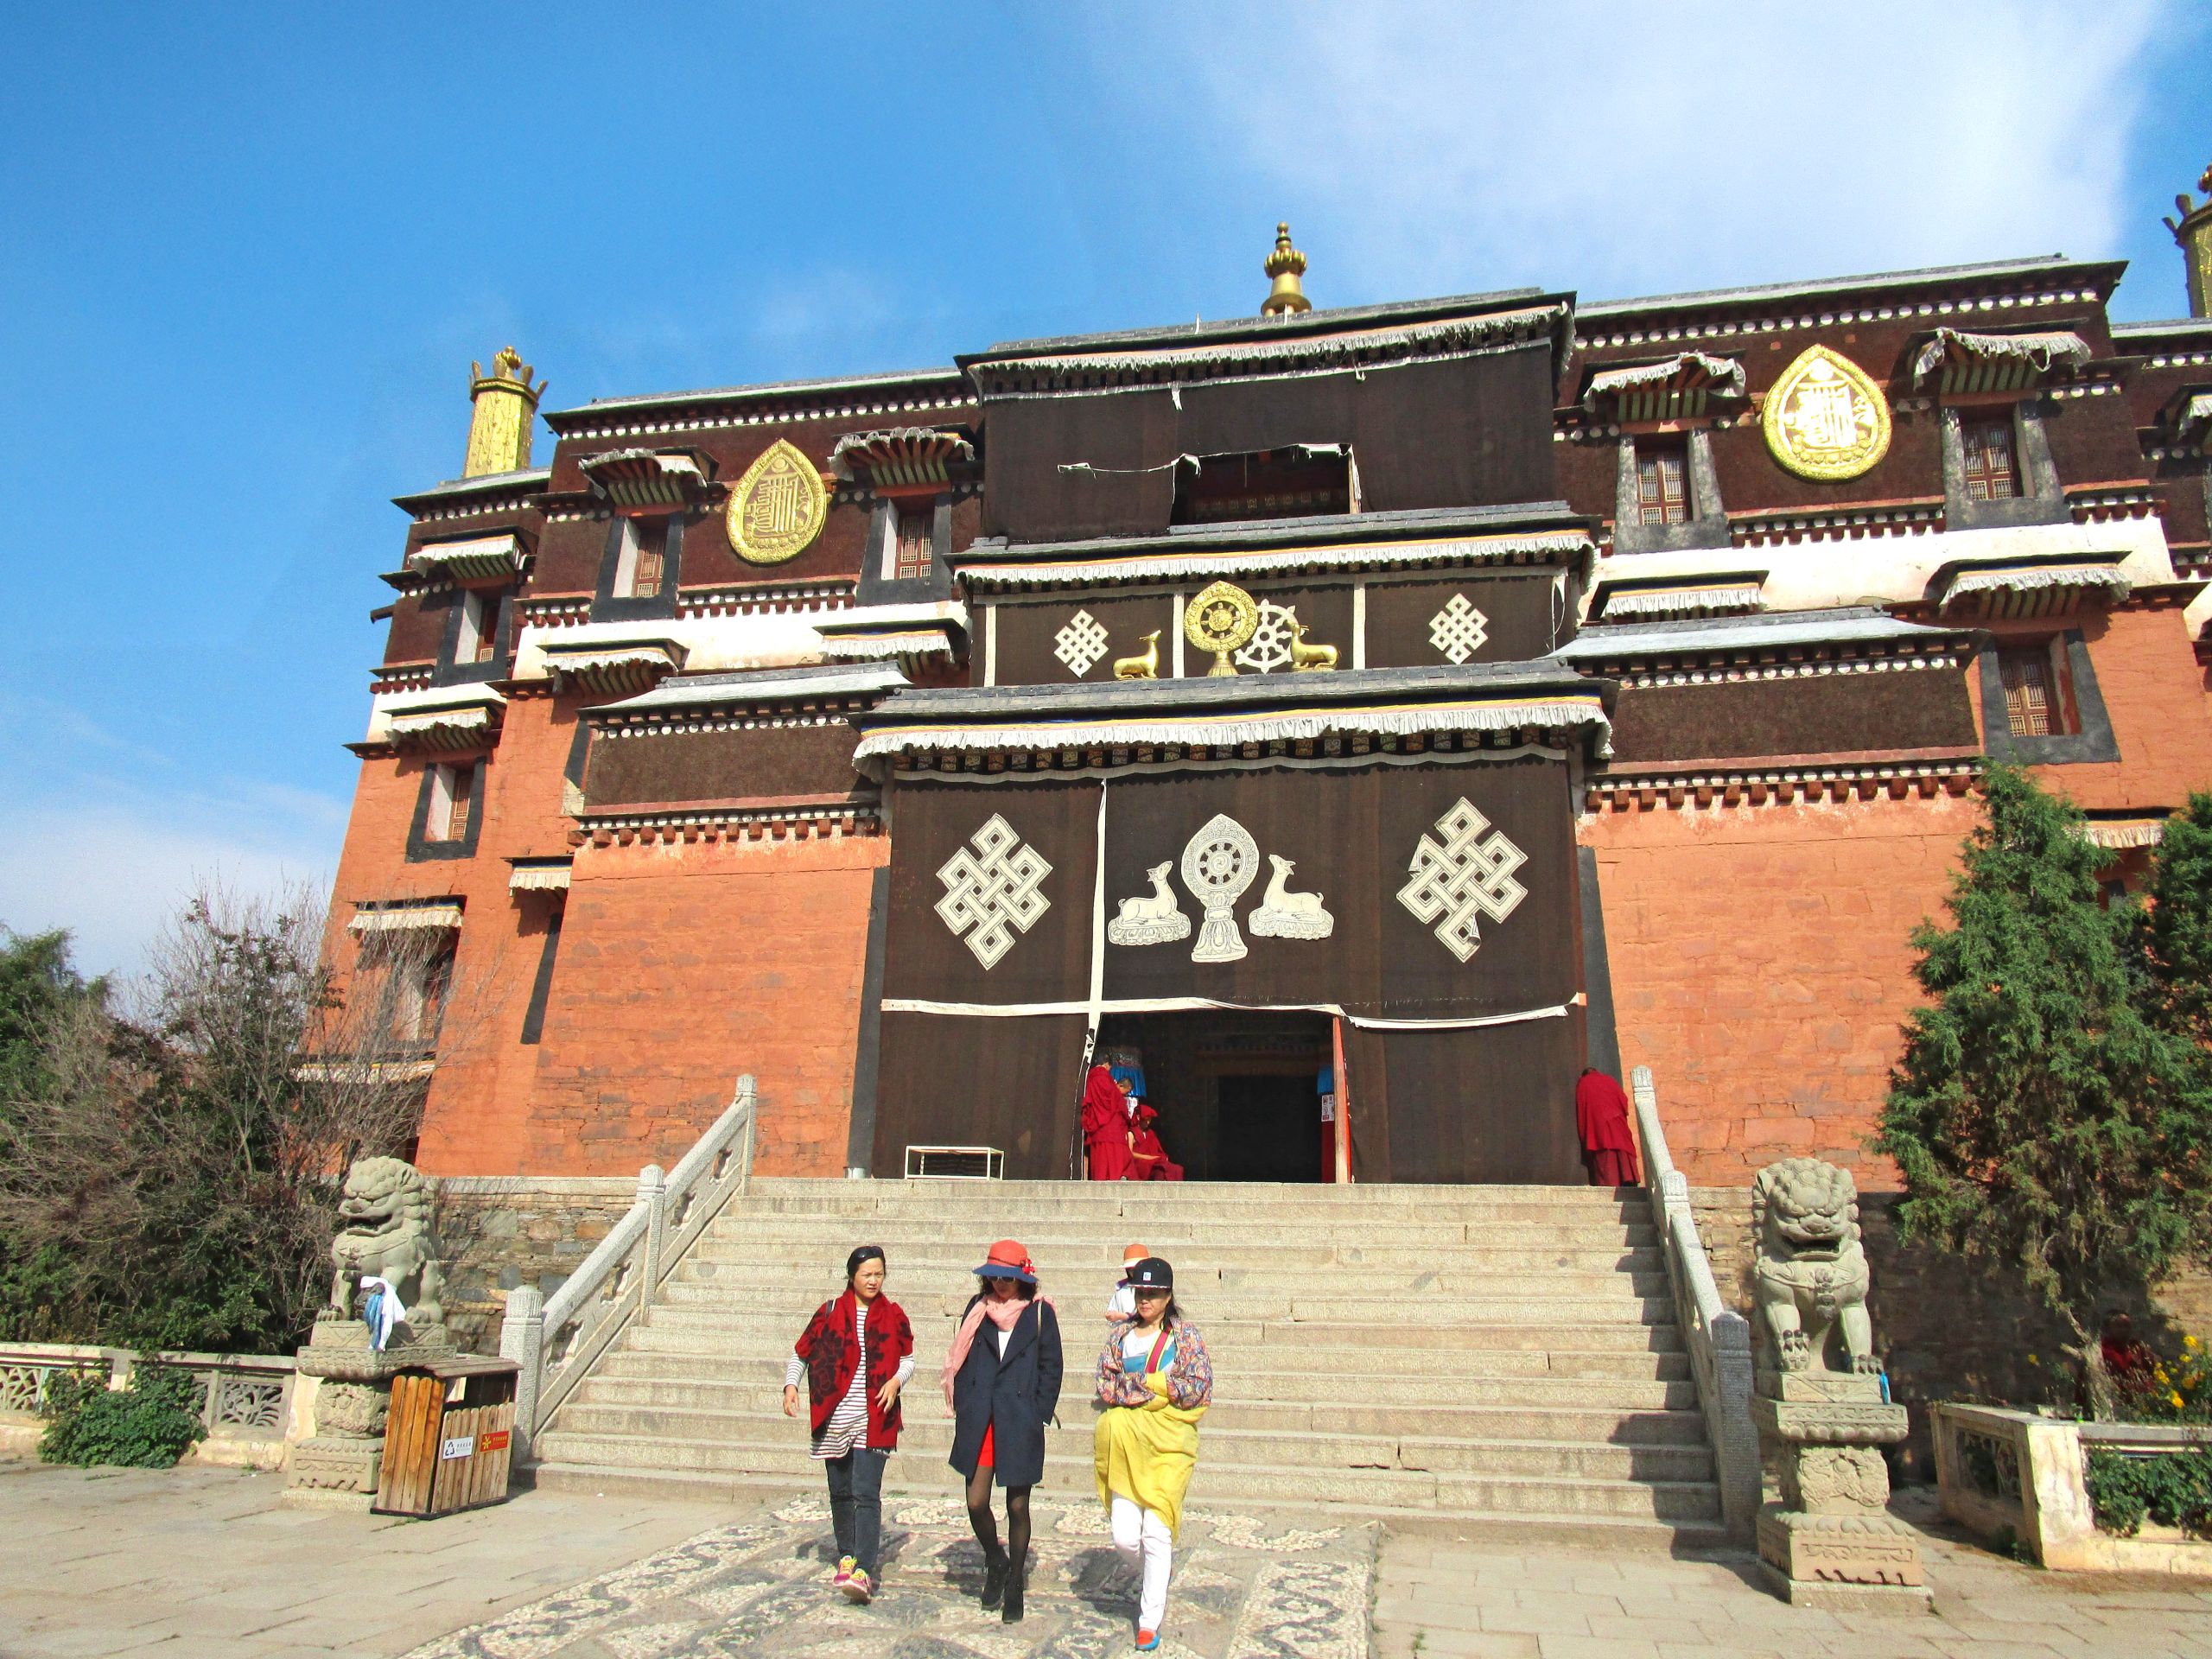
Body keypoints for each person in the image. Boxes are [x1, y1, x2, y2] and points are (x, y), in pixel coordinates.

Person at [1094, 1256, 1212, 1652]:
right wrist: (1159, 1387)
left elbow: (1196, 1386)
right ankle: (1155, 1576)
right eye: (1139, 1293)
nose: (1145, 1300)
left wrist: (1144, 1383)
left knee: (1157, 1533)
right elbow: (1106, 1386)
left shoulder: (1186, 1337)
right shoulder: (1119, 1337)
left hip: (1169, 1446)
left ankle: (1149, 1620)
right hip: (1127, 1446)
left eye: (1153, 1293)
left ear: (1168, 1295)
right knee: (1126, 1538)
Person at [784, 1244, 913, 1604]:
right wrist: (791, 1385)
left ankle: (864, 1570)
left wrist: (896, 1381)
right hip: (834, 1415)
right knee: (840, 1491)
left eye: (879, 1274)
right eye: (867, 1275)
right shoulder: (829, 1312)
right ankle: (846, 1554)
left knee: (866, 1492)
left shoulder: (893, 1314)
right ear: (852, 1276)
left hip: (875, 1417)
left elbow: (907, 1357)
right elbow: (801, 1352)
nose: (873, 1281)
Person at [943, 1238, 1064, 1624]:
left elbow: (1052, 1366)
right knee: (976, 1500)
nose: (1000, 1284)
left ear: (1023, 1278)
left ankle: (1014, 1583)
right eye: (994, 1277)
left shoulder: (1040, 1313)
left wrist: (1038, 1412)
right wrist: (965, 1400)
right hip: (981, 1418)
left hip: (1019, 1419)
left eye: (1008, 1278)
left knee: (1017, 1505)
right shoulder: (977, 1310)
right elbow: (960, 1360)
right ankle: (996, 1560)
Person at [1574, 1067, 1642, 1188]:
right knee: (1622, 1153)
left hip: (1598, 1128)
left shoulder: (1583, 1083)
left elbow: (1581, 1108)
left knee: (1606, 1158)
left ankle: (1610, 1185)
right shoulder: (1609, 1080)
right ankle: (1628, 1180)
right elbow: (1623, 1102)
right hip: (1618, 1124)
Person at [1083, 1064, 1135, 1181]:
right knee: (1118, 1159)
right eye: (1125, 1092)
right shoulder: (1108, 1082)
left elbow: (1089, 1104)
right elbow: (1122, 1110)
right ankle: (1121, 1175)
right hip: (1114, 1129)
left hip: (1099, 1129)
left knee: (1101, 1165)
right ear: (1106, 1065)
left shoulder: (1089, 1079)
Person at [1128, 1103, 1185, 1182]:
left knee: (1177, 1168)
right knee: (1160, 1169)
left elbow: (1159, 1150)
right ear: (1138, 1117)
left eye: (1149, 1120)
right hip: (1140, 1164)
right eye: (1146, 1119)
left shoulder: (1151, 1133)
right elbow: (1129, 1153)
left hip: (1153, 1162)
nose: (1148, 1122)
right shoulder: (1131, 1133)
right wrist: (1149, 1158)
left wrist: (1159, 1157)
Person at [1107, 1243, 1149, 1318]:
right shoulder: (1122, 1290)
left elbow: (1152, 1318)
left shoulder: (1157, 1287)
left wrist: (1124, 1317)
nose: (1135, 1272)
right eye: (1131, 1269)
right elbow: (1111, 1319)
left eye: (1138, 1268)